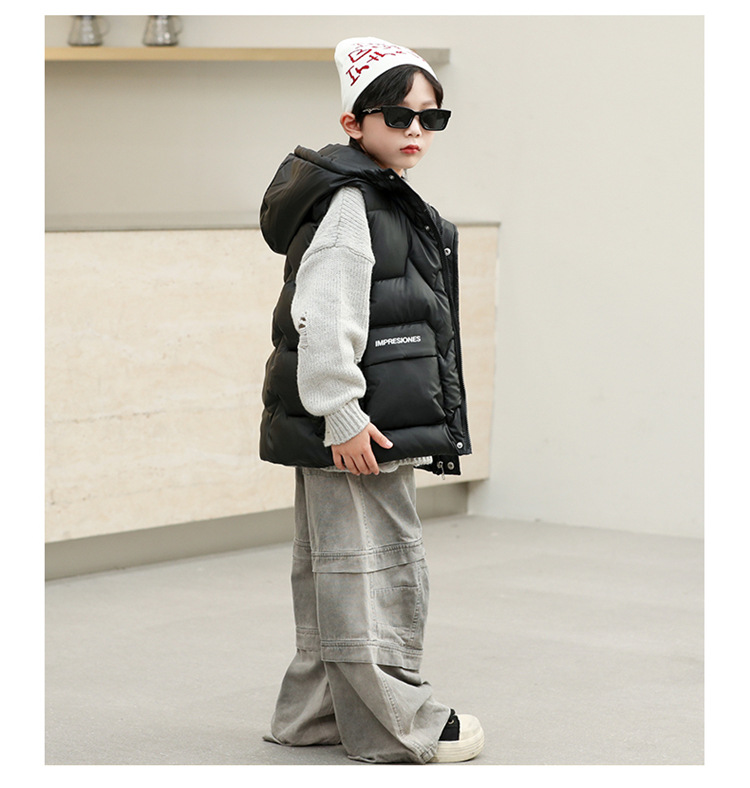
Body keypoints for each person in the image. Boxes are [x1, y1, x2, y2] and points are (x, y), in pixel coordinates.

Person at [258, 37, 484, 764]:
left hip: (362, 418)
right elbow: (325, 317)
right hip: (361, 425)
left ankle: (314, 715)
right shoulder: (354, 202)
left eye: (430, 117)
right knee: (376, 569)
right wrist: (343, 413)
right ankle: (395, 725)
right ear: (354, 123)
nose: (416, 130)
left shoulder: (377, 195)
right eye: (398, 116)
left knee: (336, 566)